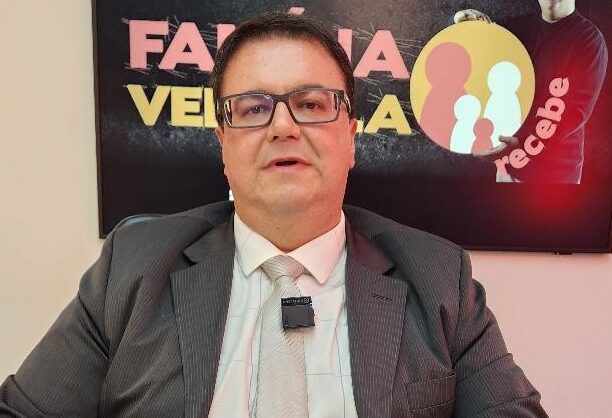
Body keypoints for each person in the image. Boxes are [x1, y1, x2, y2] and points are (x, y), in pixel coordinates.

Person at [0, 12, 548, 418]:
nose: (283, 127)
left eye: (310, 104)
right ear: (222, 141)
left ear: (351, 136)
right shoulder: (133, 267)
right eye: (253, 108)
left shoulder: (439, 278)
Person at [458, 0, 608, 183]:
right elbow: (484, 37)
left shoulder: (589, 39)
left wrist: (521, 142)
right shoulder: (520, 28)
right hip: (509, 170)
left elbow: (575, 113)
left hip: (556, 177)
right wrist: (466, 21)